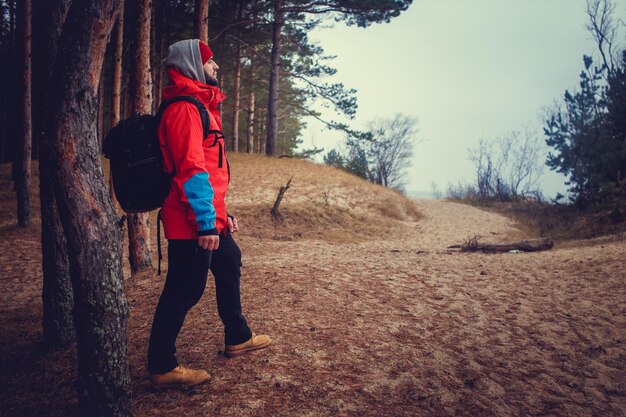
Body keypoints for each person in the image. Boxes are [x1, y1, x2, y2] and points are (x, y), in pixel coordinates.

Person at [147, 39, 271, 390]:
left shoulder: (200, 106)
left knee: (229, 260)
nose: (216, 66)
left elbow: (210, 171)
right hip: (189, 219)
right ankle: (161, 365)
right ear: (192, 65)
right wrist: (205, 222)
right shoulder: (184, 109)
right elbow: (191, 171)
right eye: (210, 60)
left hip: (206, 214)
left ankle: (238, 336)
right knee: (184, 289)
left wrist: (221, 215)